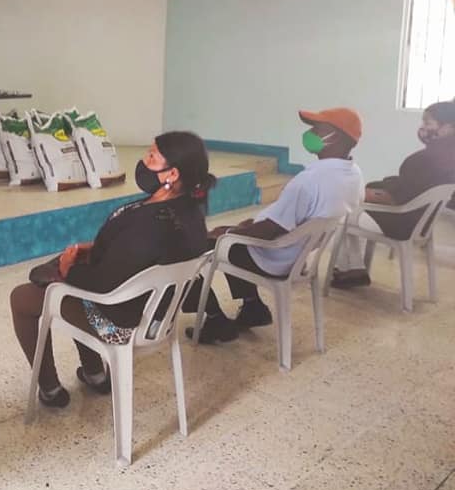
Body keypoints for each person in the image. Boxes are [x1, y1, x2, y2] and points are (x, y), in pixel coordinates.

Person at [10, 131, 215, 408]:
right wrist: (97, 248)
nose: (144, 160)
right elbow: (138, 256)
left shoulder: (150, 226)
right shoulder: (189, 211)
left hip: (119, 321)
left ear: (172, 173)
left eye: (152, 156)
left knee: (23, 298)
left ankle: (49, 389)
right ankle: (94, 374)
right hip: (153, 313)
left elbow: (102, 285)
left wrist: (68, 268)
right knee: (75, 272)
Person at [183, 108, 364, 344]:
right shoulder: (353, 174)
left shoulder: (309, 181)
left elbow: (268, 231)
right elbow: (279, 222)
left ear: (337, 137)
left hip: (272, 258)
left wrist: (227, 232)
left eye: (317, 129)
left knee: (197, 246)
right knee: (235, 233)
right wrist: (242, 227)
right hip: (297, 255)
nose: (310, 134)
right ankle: (253, 308)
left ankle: (215, 320)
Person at [330, 101, 455, 288]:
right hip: (423, 223)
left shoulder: (423, 159)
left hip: (402, 223)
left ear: (448, 127)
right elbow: (413, 187)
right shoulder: (447, 157)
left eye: (428, 123)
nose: (422, 128)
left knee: (344, 212)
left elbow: (397, 198)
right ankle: (353, 268)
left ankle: (351, 270)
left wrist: (362, 194)